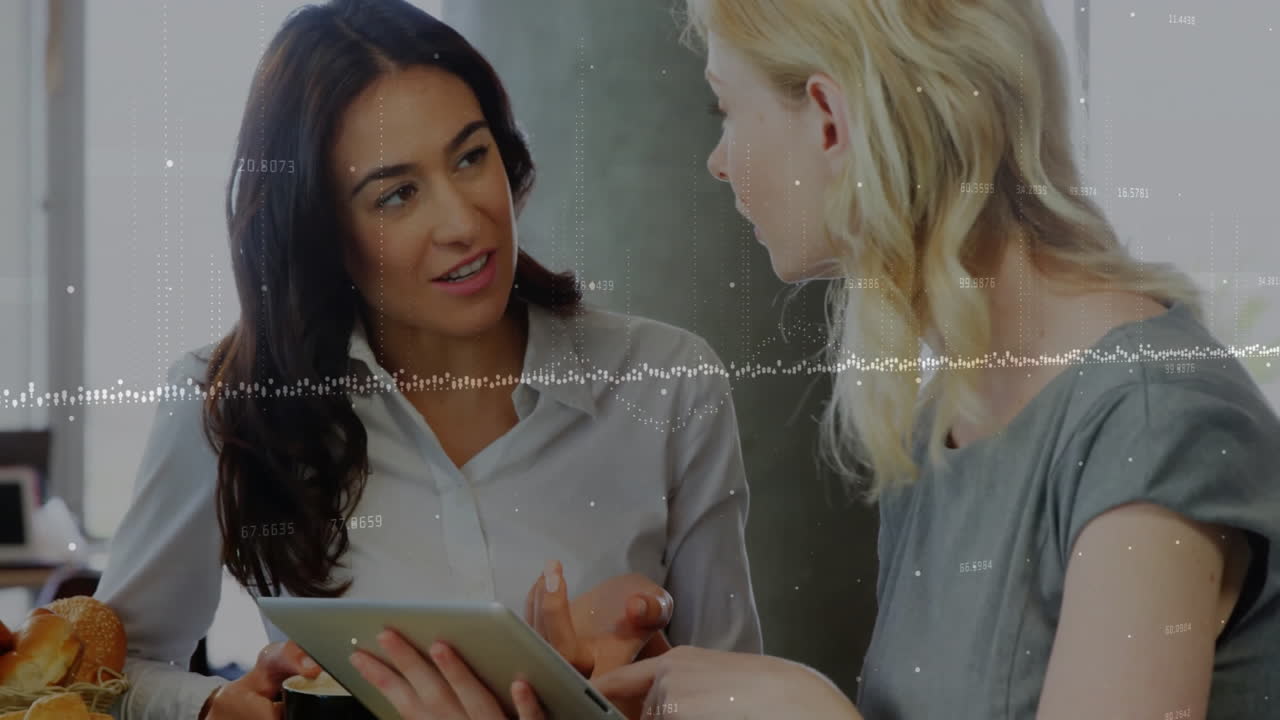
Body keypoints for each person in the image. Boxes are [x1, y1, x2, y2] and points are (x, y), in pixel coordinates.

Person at [383, 0, 1280, 718]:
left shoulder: (1152, 422)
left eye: (724, 109)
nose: (718, 162)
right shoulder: (945, 422)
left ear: (827, 120)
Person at [92, 1, 763, 718]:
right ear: (322, 229)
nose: (462, 221)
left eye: (471, 156)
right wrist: (211, 707)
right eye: (397, 195)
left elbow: (738, 694)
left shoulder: (666, 385)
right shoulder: (226, 406)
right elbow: (111, 673)